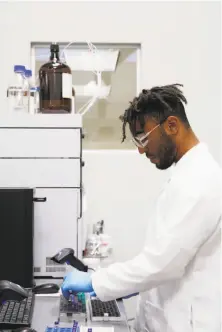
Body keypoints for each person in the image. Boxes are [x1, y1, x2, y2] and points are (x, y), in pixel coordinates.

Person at [61, 84, 221, 332]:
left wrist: (97, 280)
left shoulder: (201, 180)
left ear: (171, 126)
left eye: (143, 138)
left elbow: (162, 264)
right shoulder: (187, 175)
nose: (140, 149)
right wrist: (116, 283)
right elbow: (160, 256)